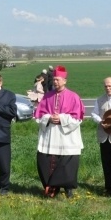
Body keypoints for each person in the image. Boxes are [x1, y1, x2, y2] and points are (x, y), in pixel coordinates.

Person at [34, 65, 85, 198]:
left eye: (57, 80)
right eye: (54, 80)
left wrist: (61, 118)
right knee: (47, 161)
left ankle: (68, 188)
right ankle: (52, 187)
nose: (55, 82)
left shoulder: (73, 97)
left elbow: (78, 118)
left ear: (64, 81)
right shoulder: (47, 97)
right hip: (51, 134)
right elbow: (39, 115)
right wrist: (49, 117)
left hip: (67, 136)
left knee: (67, 163)